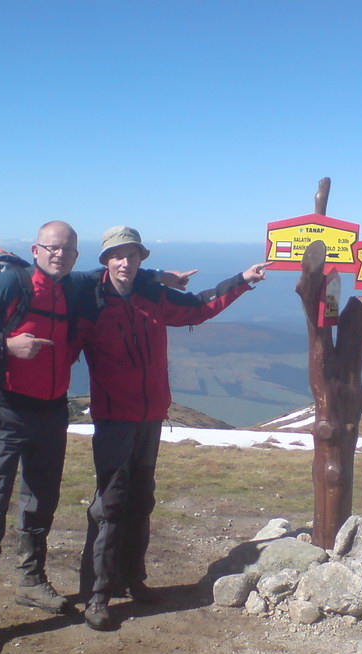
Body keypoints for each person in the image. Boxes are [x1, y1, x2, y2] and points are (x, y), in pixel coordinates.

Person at [0, 221, 191, 654]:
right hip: (7, 412)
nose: (59, 255)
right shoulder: (10, 285)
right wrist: (6, 344)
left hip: (52, 413)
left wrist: (157, 277)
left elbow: (115, 275)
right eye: (52, 248)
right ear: (36, 249)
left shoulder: (74, 286)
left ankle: (31, 581)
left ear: (76, 256)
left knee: (41, 503)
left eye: (67, 250)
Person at [75, 225, 268, 631]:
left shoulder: (152, 297)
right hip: (113, 417)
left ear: (141, 258)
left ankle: (133, 578)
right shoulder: (90, 301)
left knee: (141, 498)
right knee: (109, 505)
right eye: (116, 255)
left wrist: (242, 282)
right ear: (105, 261)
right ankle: (98, 594)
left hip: (149, 416)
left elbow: (198, 307)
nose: (124, 261)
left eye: (132, 255)